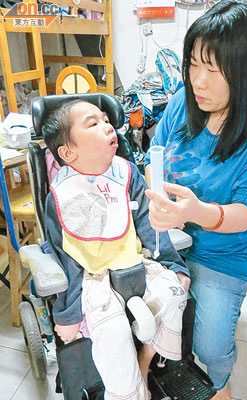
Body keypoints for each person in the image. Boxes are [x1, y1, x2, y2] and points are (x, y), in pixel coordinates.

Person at [144, 1, 247, 399]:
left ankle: (219, 384)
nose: (198, 81)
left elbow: (246, 213)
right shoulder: (184, 100)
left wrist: (194, 213)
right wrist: (158, 197)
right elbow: (154, 156)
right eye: (194, 64)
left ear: (246, 69)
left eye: (213, 70)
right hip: (166, 239)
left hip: (222, 252)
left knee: (210, 345)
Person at [43, 99, 190, 400]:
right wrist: (68, 315)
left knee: (176, 292)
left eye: (105, 119)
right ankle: (131, 393)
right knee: (114, 334)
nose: (107, 124)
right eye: (93, 123)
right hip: (94, 278)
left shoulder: (126, 173)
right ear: (69, 152)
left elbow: (150, 226)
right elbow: (65, 257)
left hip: (136, 263)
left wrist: (175, 267)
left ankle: (146, 361)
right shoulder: (62, 194)